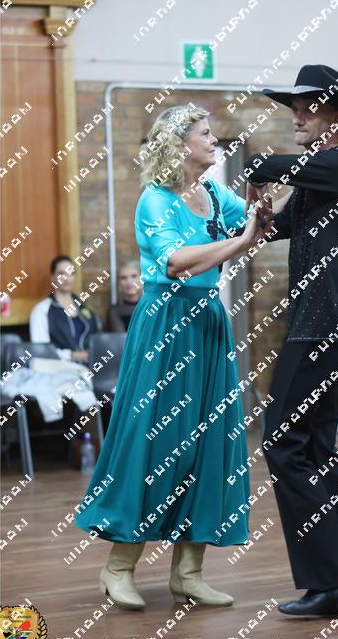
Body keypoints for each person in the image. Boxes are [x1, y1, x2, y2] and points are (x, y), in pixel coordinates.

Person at [74, 103, 272, 611]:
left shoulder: (213, 193)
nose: (214, 140)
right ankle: (118, 567)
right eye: (205, 133)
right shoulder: (155, 199)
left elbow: (256, 227)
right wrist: (243, 238)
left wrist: (265, 206)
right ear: (180, 144)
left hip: (208, 325)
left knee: (208, 443)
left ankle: (188, 573)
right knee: (154, 441)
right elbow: (176, 262)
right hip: (166, 324)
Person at [244, 64, 338, 616]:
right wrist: (248, 217)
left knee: (283, 444)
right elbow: (275, 228)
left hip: (319, 330)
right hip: (327, 329)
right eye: (296, 108)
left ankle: (332, 583)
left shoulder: (333, 166)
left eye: (310, 108)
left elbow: (265, 164)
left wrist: (256, 173)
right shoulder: (316, 180)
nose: (298, 116)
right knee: (318, 452)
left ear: (337, 117)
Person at [30, 255, 101, 364]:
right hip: (60, 368)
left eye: (71, 273)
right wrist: (72, 355)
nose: (67, 279)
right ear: (52, 277)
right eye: (61, 274)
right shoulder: (42, 310)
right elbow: (41, 350)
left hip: (91, 367)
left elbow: (98, 339)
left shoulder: (85, 307)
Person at [107, 259, 143, 332]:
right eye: (123, 278)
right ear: (119, 282)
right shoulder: (115, 311)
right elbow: (120, 337)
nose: (129, 282)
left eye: (134, 276)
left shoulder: (153, 306)